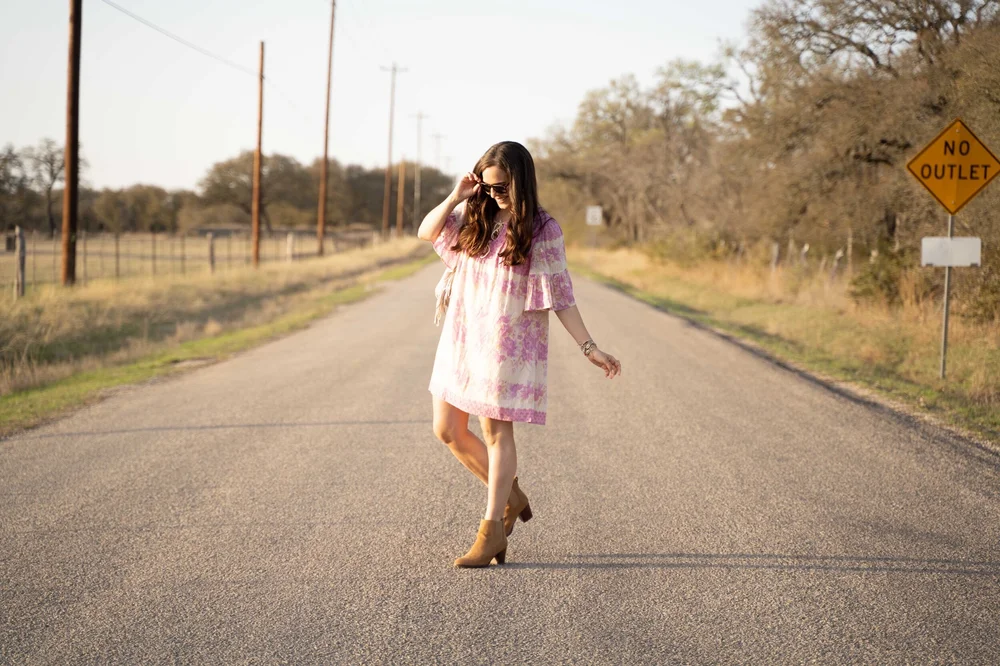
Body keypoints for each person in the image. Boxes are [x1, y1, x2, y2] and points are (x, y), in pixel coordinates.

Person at [416, 141, 621, 568]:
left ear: (522, 181)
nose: (496, 195)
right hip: (462, 336)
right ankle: (511, 496)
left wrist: (589, 347)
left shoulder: (543, 229)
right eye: (488, 187)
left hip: (505, 343)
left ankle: (491, 530)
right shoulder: (475, 215)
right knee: (447, 429)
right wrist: (457, 195)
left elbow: (561, 296)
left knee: (495, 433)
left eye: (503, 187)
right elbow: (426, 232)